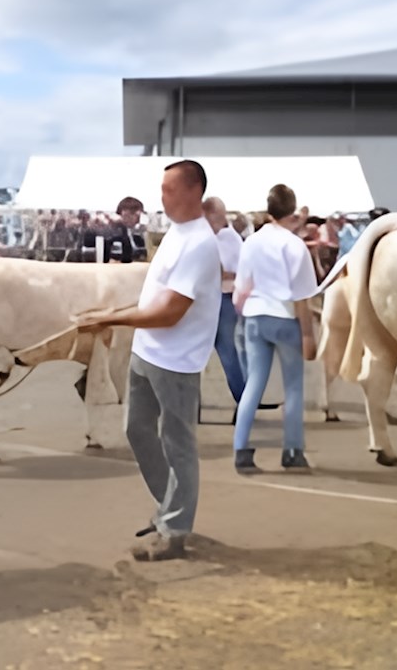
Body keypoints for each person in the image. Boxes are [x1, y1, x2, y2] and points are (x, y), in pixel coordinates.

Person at [77, 160, 221, 562]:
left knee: (178, 444)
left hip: (176, 360)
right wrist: (110, 316)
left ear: (194, 191)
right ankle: (169, 508)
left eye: (170, 190)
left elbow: (170, 312)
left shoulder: (199, 243)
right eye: (162, 189)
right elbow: (153, 300)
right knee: (137, 430)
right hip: (148, 351)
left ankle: (175, 528)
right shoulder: (176, 234)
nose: (162, 197)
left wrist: (108, 318)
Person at [231, 183, 319, 474]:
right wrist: (308, 335)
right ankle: (292, 450)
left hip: (255, 315)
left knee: (254, 383)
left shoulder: (252, 242)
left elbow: (241, 288)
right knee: (292, 387)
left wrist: (244, 314)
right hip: (284, 317)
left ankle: (241, 448)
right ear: (292, 210)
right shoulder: (295, 246)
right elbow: (303, 297)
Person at [202, 196, 246, 404]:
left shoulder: (231, 238)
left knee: (228, 350)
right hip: (201, 301)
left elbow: (239, 272)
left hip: (224, 299)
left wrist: (218, 274)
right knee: (196, 351)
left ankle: (243, 398)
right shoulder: (199, 237)